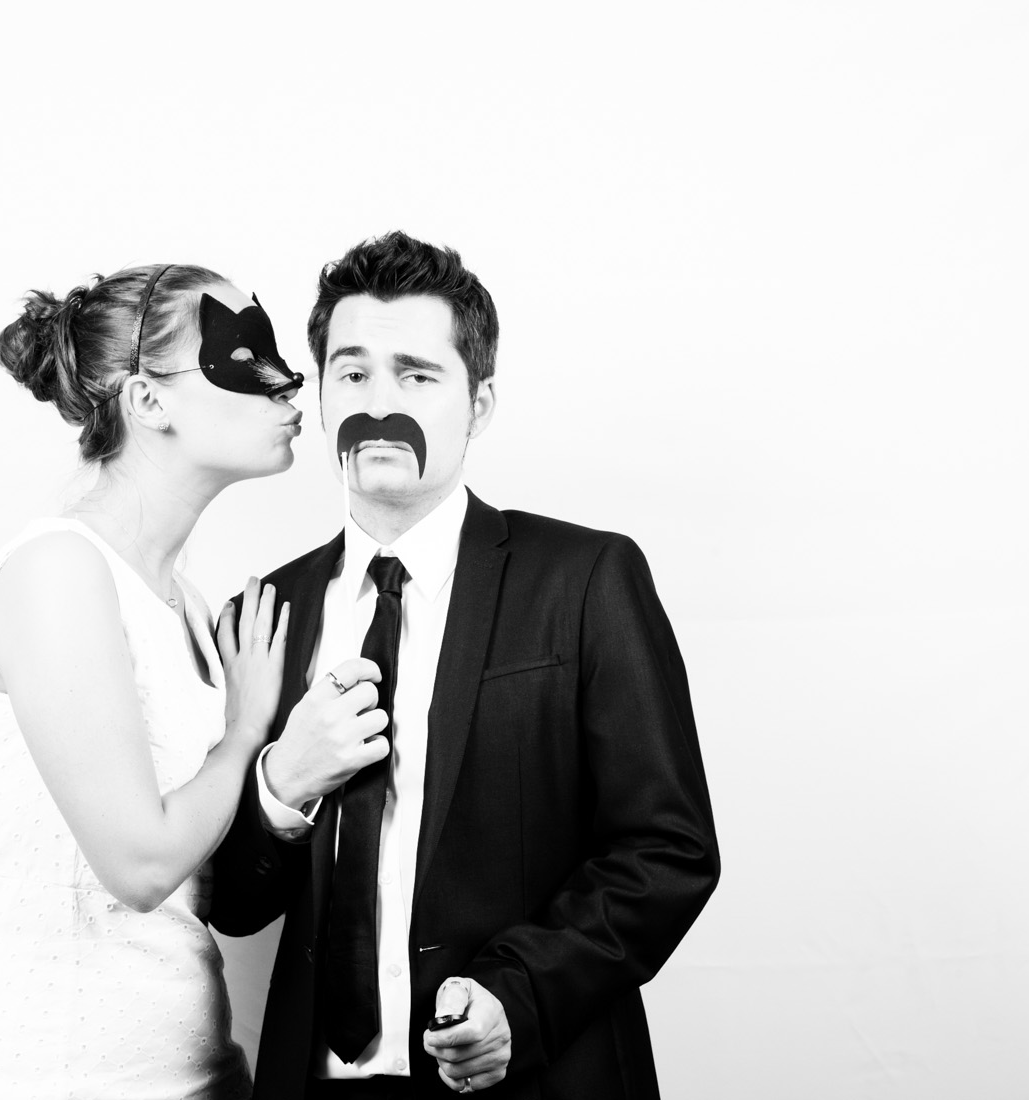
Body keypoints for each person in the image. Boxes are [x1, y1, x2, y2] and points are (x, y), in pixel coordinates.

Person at [210, 233, 720, 1099]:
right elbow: (233, 903)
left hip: (532, 1078)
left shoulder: (586, 580)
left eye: (416, 376)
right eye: (352, 373)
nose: (379, 403)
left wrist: (520, 995)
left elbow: (668, 848)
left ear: (479, 404)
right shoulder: (264, 615)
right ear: (323, 397)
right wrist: (280, 786)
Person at [0, 264, 377, 1099]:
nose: (288, 383)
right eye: (244, 358)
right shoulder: (57, 573)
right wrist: (245, 733)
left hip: (186, 1070)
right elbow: (143, 864)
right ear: (149, 401)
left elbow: (207, 881)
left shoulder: (190, 606)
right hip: (34, 1074)